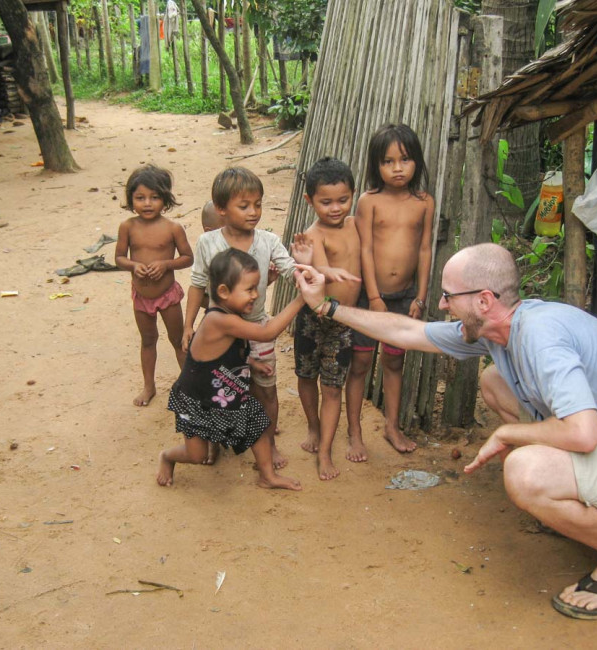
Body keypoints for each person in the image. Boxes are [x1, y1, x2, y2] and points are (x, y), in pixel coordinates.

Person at [294, 242, 597, 620]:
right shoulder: (502, 331)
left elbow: (583, 433)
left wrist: (509, 436)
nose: (441, 304)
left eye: (449, 295)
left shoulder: (542, 338)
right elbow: (408, 332)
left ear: (484, 300)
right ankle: (593, 498)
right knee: (494, 381)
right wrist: (327, 308)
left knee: (525, 471)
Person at [158, 248, 304, 491]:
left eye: (256, 288)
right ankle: (167, 457)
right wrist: (302, 298)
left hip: (224, 393)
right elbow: (267, 332)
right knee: (196, 454)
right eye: (250, 290)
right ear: (224, 292)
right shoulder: (219, 320)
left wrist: (251, 363)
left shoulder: (232, 312)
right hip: (196, 399)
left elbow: (221, 355)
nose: (256, 296)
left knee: (256, 424)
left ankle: (267, 476)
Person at [350, 123, 434, 454]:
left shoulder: (424, 202)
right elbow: (365, 250)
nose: (397, 168)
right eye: (388, 161)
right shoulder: (369, 202)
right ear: (376, 165)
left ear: (416, 161)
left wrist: (420, 297)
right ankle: (354, 431)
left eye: (404, 159)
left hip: (404, 298)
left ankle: (392, 426)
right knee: (359, 363)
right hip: (369, 297)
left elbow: (425, 249)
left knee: (395, 362)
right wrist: (372, 297)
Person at [294, 158, 363, 479]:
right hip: (313, 319)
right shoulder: (312, 234)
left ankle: (325, 451)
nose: (336, 208)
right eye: (326, 202)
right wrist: (327, 270)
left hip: (343, 322)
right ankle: (312, 426)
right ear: (309, 201)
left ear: (353, 195)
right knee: (307, 377)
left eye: (343, 200)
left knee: (333, 387)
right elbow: (317, 266)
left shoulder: (355, 225)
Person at [115, 164, 193, 407]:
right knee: (148, 340)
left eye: (154, 197)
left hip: (167, 295)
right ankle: (149, 386)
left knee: (178, 339)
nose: (147, 203)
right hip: (141, 296)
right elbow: (119, 258)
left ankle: (189, 385)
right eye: (140, 198)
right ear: (131, 199)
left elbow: (187, 257)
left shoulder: (172, 228)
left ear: (166, 199)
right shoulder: (128, 227)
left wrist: (166, 264)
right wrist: (133, 266)